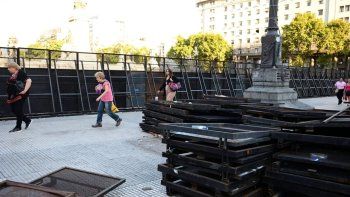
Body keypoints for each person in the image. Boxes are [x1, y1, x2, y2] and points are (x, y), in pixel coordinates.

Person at [6, 62, 32, 132]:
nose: (8, 69)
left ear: (14, 67)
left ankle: (18, 127)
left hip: (20, 95)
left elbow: (29, 80)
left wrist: (25, 91)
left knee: (18, 110)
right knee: (14, 110)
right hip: (13, 96)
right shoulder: (14, 75)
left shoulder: (20, 73)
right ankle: (27, 120)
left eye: (9, 68)